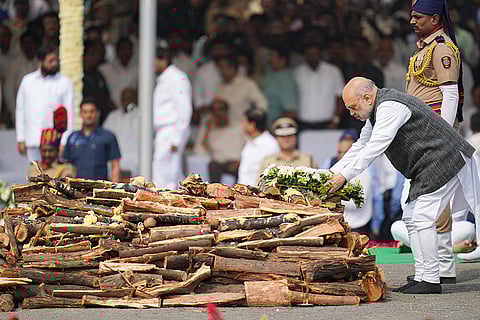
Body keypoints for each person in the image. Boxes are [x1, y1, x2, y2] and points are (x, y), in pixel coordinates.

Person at [329, 77, 480, 294]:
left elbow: (375, 147)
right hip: (429, 164)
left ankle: (430, 279)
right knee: (410, 216)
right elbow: (360, 145)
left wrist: (344, 176)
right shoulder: (377, 110)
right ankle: (423, 275)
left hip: (445, 159)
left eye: (353, 107)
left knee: (421, 218)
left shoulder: (390, 106)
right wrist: (332, 173)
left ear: (368, 97)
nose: (352, 113)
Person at [404, 0, 464, 277]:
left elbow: (450, 94)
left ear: (435, 20)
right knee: (427, 201)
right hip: (424, 132)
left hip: (437, 131)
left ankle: (442, 269)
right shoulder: (426, 48)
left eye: (418, 16)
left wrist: (446, 134)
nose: (412, 21)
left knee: (431, 203)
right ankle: (439, 268)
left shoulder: (442, 49)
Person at [15, 44, 74, 163]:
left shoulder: (64, 82)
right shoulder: (28, 81)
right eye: (50, 61)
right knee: (34, 176)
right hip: (32, 138)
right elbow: (20, 110)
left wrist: (64, 141)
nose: (54, 64)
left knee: (54, 178)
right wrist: (20, 138)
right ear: (41, 61)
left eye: (55, 60)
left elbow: (70, 113)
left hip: (54, 141)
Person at [325, 129, 384, 237]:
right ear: (337, 147)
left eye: (347, 153)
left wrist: (376, 226)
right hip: (334, 222)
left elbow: (373, 198)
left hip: (359, 224)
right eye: (340, 153)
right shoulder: (330, 163)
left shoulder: (367, 169)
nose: (343, 158)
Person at [152, 41, 192, 190]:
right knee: (167, 172)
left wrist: (177, 137)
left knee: (166, 175)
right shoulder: (164, 78)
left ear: (163, 59)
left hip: (171, 130)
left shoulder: (177, 77)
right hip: (164, 131)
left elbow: (184, 108)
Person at [63, 99, 121, 182]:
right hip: (76, 188)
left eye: (91, 112)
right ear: (80, 114)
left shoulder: (108, 136)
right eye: (85, 112)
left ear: (98, 113)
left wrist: (115, 189)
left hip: (100, 188)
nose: (88, 115)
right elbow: (66, 165)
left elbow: (115, 165)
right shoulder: (72, 137)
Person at [294, 41, 345, 130]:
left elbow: (341, 98)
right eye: (309, 54)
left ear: (320, 54)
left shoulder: (333, 71)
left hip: (328, 124)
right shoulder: (296, 73)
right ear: (305, 55)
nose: (312, 56)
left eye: (315, 53)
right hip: (303, 124)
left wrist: (335, 120)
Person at [195, 97, 246, 183]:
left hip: (237, 162)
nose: (218, 113)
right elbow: (202, 145)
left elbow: (249, 146)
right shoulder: (209, 130)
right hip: (219, 163)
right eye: (214, 110)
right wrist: (208, 127)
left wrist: (240, 161)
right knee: (213, 166)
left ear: (227, 111)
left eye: (221, 109)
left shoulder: (238, 127)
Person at [237, 105, 279, 186]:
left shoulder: (270, 144)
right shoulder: (249, 142)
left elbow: (270, 177)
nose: (242, 125)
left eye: (244, 121)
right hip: (243, 192)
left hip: (258, 194)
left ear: (252, 124)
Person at [103, 87, 139, 179]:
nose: (127, 101)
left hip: (136, 164)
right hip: (115, 165)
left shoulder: (142, 115)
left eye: (130, 97)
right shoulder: (113, 116)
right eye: (125, 98)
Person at [262, 47, 298, 128]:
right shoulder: (270, 72)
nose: (270, 60)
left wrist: (277, 128)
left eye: (273, 57)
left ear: (282, 60)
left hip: (277, 128)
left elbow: (291, 112)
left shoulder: (286, 80)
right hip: (265, 125)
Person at [99, 37, 138, 108]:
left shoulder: (138, 70)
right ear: (117, 50)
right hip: (110, 111)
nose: (126, 52)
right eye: (123, 49)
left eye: (128, 49)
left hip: (132, 111)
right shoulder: (105, 69)